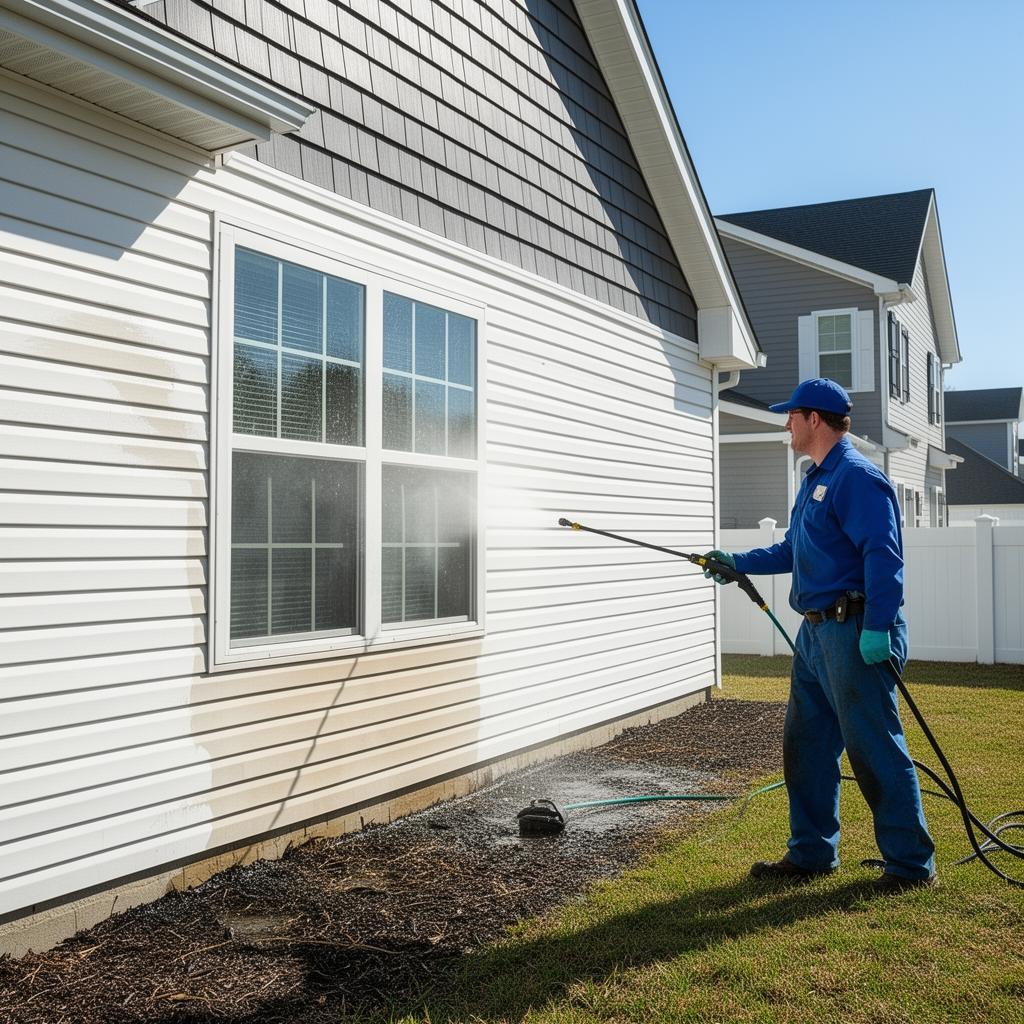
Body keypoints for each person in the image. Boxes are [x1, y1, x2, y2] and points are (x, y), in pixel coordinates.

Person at [706, 377, 936, 893]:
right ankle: (812, 854)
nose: (786, 422)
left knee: (874, 748)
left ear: (814, 420)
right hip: (815, 636)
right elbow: (793, 551)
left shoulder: (857, 477)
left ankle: (910, 865)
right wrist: (736, 562)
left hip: (855, 630)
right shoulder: (814, 479)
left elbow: (884, 556)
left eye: (792, 415)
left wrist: (878, 628)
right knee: (805, 748)